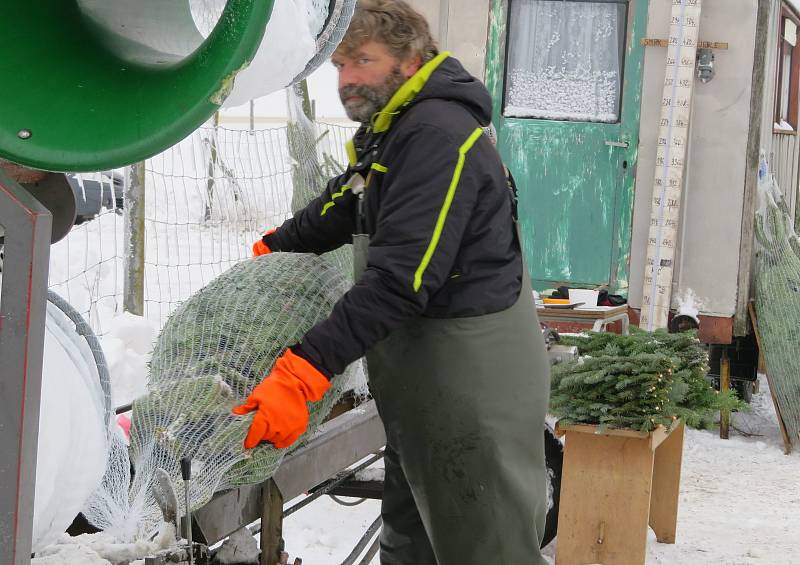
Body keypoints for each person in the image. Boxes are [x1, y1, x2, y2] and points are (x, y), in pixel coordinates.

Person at [235, 1, 551, 563]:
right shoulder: (397, 128)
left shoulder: (435, 134)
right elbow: (346, 200)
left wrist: (302, 372)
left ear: (409, 59)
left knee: (487, 549)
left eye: (362, 60)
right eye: (338, 64)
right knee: (413, 548)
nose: (347, 78)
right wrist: (271, 250)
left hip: (472, 391)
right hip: (426, 391)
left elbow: (400, 282)